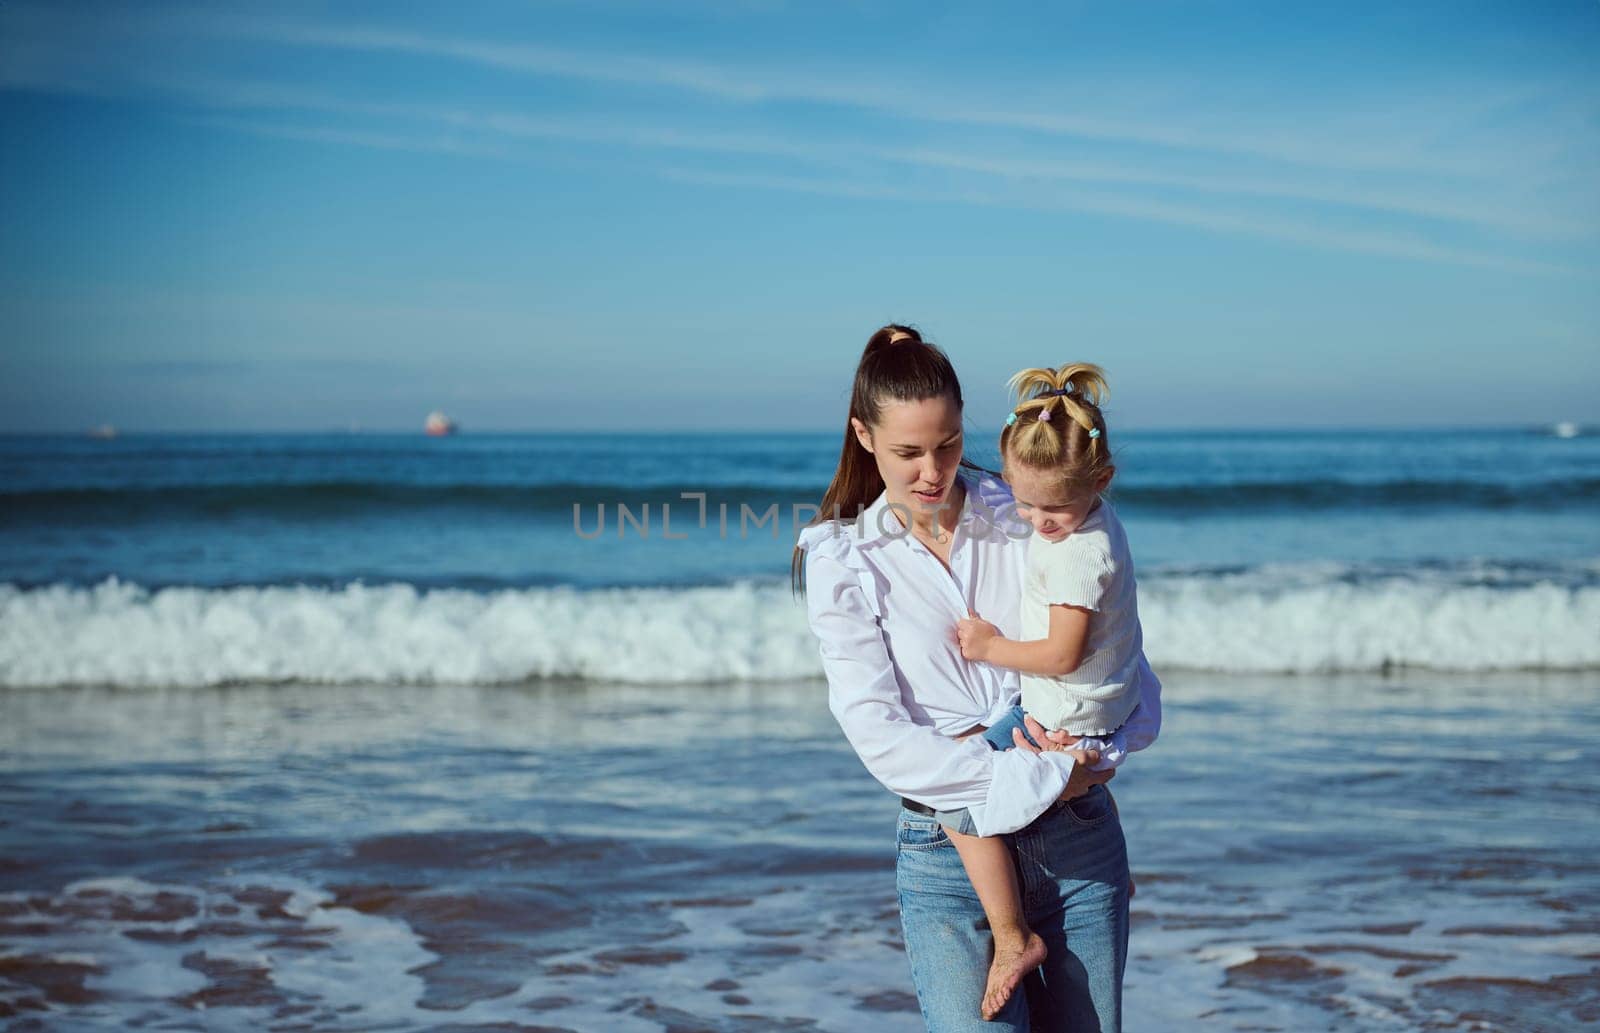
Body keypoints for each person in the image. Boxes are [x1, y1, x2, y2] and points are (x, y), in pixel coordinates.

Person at [794, 326, 1160, 1032]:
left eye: (949, 443)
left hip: (1075, 834)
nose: (933, 470)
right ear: (863, 437)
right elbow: (878, 734)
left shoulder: (1026, 512)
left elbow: (1117, 656)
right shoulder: (843, 558)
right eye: (908, 452)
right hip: (946, 853)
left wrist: (1095, 761)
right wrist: (1029, 778)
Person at [941, 362, 1161, 1020]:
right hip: (1093, 712)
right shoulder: (1096, 520)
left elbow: (1062, 652)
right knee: (1067, 796)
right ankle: (1112, 870)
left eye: (1055, 507)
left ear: (1102, 480)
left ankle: (1014, 937)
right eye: (1026, 501)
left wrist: (987, 647)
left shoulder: (1075, 554)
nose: (1041, 520)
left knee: (952, 798)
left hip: (1066, 715)